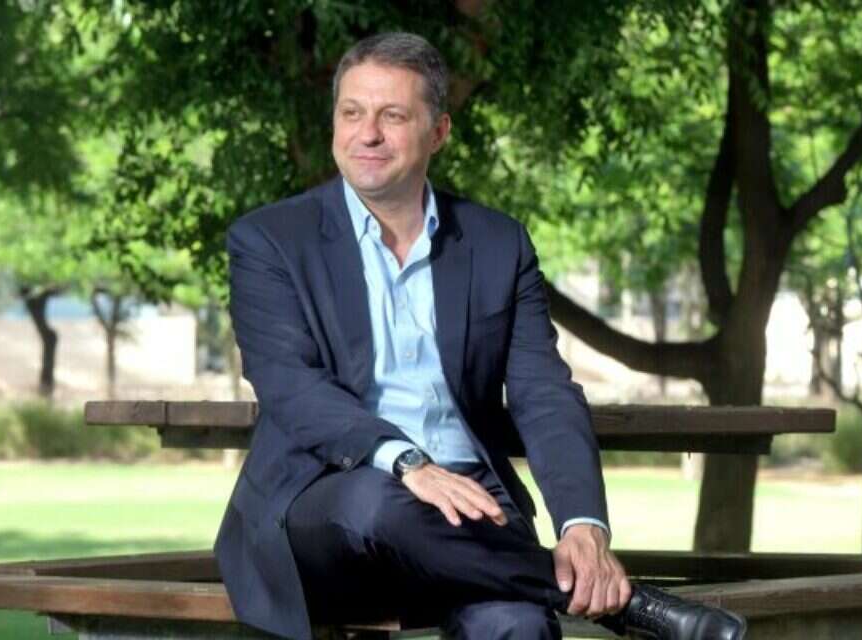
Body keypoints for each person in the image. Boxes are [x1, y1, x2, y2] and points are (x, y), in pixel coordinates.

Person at [214, 32, 746, 640]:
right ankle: (629, 606)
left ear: (438, 132)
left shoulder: (497, 243)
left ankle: (554, 584)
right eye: (352, 113)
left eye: (393, 116)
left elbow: (544, 393)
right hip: (325, 506)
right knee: (380, 501)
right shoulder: (270, 240)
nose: (368, 134)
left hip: (471, 510)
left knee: (515, 625)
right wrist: (407, 461)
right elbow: (290, 386)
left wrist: (582, 525)